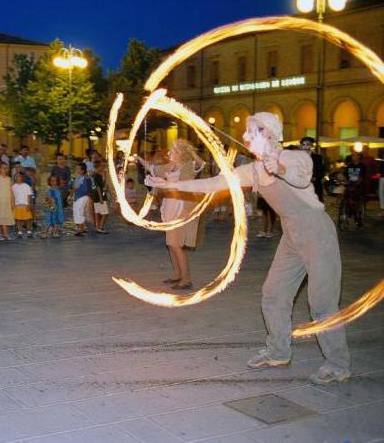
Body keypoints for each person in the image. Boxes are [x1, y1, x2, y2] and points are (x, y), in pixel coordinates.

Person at [147, 112, 351, 385]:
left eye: (250, 132)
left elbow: (302, 176)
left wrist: (277, 168)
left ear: (267, 133)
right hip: (291, 237)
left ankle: (338, 365)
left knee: (322, 302)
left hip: (317, 234)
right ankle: (278, 351)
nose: (244, 137)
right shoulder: (252, 170)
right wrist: (171, 184)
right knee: (273, 294)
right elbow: (212, 183)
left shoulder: (292, 157)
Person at [147, 139, 204, 290]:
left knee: (175, 244)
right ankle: (177, 274)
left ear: (179, 153)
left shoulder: (188, 167)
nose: (168, 153)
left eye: (172, 151)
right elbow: (153, 169)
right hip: (169, 207)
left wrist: (190, 151)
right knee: (170, 244)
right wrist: (137, 159)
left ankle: (186, 279)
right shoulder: (170, 166)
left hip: (182, 208)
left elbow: (201, 164)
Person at [0, 161, 14, 241]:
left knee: (5, 217)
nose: (5, 169)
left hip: (6, 201)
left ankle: (5, 233)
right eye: (3, 168)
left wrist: (12, 201)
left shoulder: (9, 179)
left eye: (6, 168)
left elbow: (11, 191)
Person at [300, 137, 325, 202]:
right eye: (303, 144)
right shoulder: (297, 156)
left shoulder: (317, 157)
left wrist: (314, 177)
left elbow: (321, 171)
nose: (305, 146)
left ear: (311, 145)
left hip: (314, 184)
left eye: (308, 144)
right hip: (300, 184)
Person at [345, 151, 366, 228]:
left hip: (358, 186)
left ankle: (358, 218)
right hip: (350, 184)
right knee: (346, 197)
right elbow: (346, 175)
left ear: (358, 157)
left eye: (354, 155)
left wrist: (357, 183)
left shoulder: (362, 166)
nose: (352, 157)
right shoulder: (349, 165)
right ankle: (349, 211)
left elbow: (362, 176)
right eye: (352, 155)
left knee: (357, 200)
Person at [71, 163, 92, 236]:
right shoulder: (84, 177)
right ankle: (82, 228)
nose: (77, 170)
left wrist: (71, 195)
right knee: (80, 212)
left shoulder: (81, 178)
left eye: (78, 169)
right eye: (76, 169)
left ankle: (80, 229)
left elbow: (75, 188)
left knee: (78, 212)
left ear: (83, 170)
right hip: (82, 196)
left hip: (80, 197)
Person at [12, 172, 34, 238]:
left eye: (19, 176)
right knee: (18, 220)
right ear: (14, 178)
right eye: (16, 176)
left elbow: (29, 195)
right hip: (17, 205)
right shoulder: (13, 187)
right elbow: (12, 196)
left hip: (25, 205)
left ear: (22, 178)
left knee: (28, 219)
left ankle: (29, 231)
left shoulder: (26, 186)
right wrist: (12, 204)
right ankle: (20, 232)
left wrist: (29, 204)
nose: (17, 178)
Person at [42, 174, 64, 239]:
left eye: (55, 181)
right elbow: (45, 199)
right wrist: (48, 200)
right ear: (49, 182)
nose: (53, 182)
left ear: (57, 182)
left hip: (58, 208)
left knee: (57, 220)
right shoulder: (48, 190)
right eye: (52, 181)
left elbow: (60, 200)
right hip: (50, 208)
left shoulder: (58, 190)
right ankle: (45, 232)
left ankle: (55, 232)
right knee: (48, 220)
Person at [91, 162, 110, 234]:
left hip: (95, 197)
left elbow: (102, 185)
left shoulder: (93, 175)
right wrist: (101, 197)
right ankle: (101, 227)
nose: (104, 168)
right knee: (105, 213)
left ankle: (97, 227)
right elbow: (98, 187)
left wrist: (105, 175)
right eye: (102, 167)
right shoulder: (97, 176)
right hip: (99, 197)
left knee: (97, 212)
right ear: (99, 167)